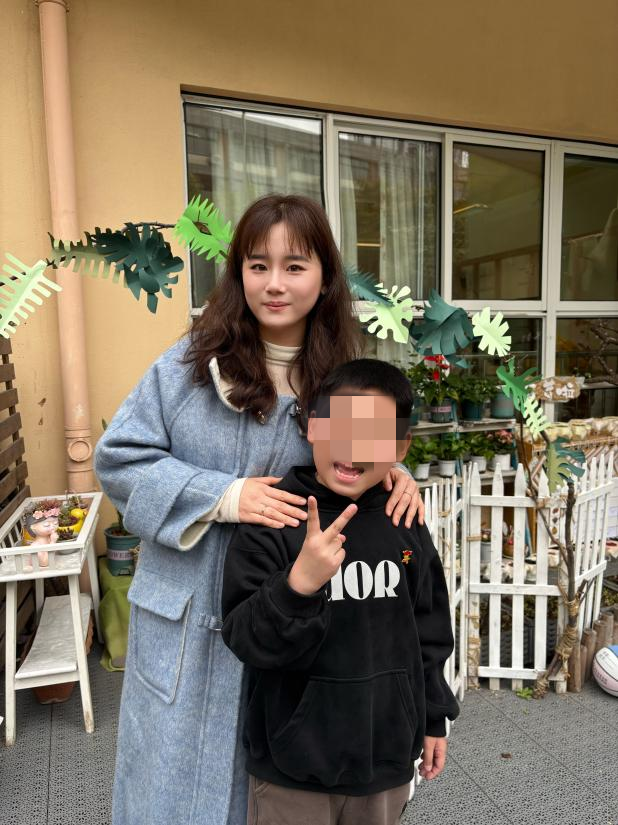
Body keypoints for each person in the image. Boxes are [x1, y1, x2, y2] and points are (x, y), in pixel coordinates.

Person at [94, 194, 424, 825]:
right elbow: (119, 461)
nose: (275, 284)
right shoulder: (187, 368)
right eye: (257, 265)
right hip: (189, 623)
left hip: (292, 618)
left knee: (282, 790)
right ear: (238, 273)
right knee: (174, 794)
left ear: (324, 276)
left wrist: (396, 472)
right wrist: (223, 496)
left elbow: (359, 461)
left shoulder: (341, 380)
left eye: (295, 266)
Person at [221, 358, 460, 825]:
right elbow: (245, 638)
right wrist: (298, 586)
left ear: (400, 447)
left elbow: (429, 630)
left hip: (384, 759)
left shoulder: (402, 519)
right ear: (312, 426)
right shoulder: (276, 516)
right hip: (292, 768)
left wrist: (435, 716)